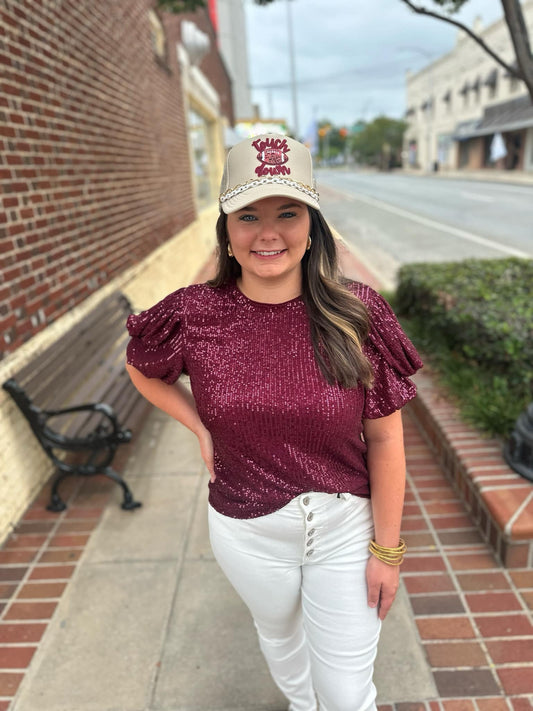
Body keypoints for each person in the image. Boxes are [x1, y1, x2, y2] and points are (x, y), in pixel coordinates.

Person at [125, 134, 423, 711]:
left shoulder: (354, 312)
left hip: (344, 528)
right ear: (227, 231)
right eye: (248, 215)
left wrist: (387, 551)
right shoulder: (194, 312)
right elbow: (142, 366)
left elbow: (386, 439)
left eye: (288, 212)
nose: (268, 233)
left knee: (345, 693)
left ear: (311, 225)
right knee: (282, 639)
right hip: (247, 530)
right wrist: (199, 425)